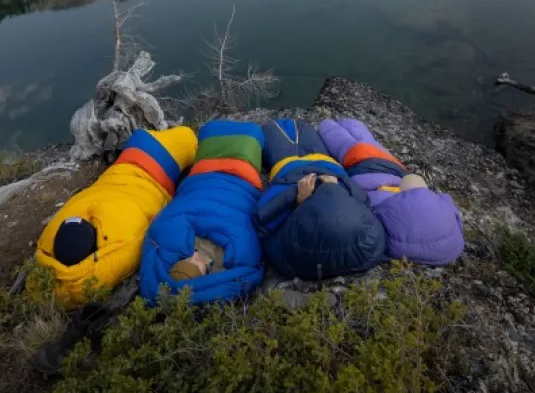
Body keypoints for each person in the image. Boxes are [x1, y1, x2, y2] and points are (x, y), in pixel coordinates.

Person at [35, 126, 198, 307]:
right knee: (188, 139)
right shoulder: (118, 248)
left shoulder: (46, 248)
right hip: (150, 170)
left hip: (132, 170)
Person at [140, 120, 265, 305]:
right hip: (239, 182)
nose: (194, 255)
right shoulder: (235, 264)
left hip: (201, 181)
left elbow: (161, 226)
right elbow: (250, 250)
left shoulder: (168, 249)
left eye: (188, 258)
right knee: (251, 136)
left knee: (215, 135)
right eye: (196, 263)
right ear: (203, 276)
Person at [253, 119, 386, 280]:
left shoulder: (291, 256)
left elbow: (263, 219)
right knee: (298, 126)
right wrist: (336, 186)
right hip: (324, 165)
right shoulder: (366, 246)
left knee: (278, 127)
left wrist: (298, 199)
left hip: (290, 168)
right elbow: (365, 203)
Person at [319, 118, 464, 265]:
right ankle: (341, 124)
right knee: (351, 142)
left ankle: (341, 123)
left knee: (356, 141)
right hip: (371, 172)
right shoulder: (444, 249)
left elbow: (444, 202)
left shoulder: (449, 229)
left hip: (383, 169)